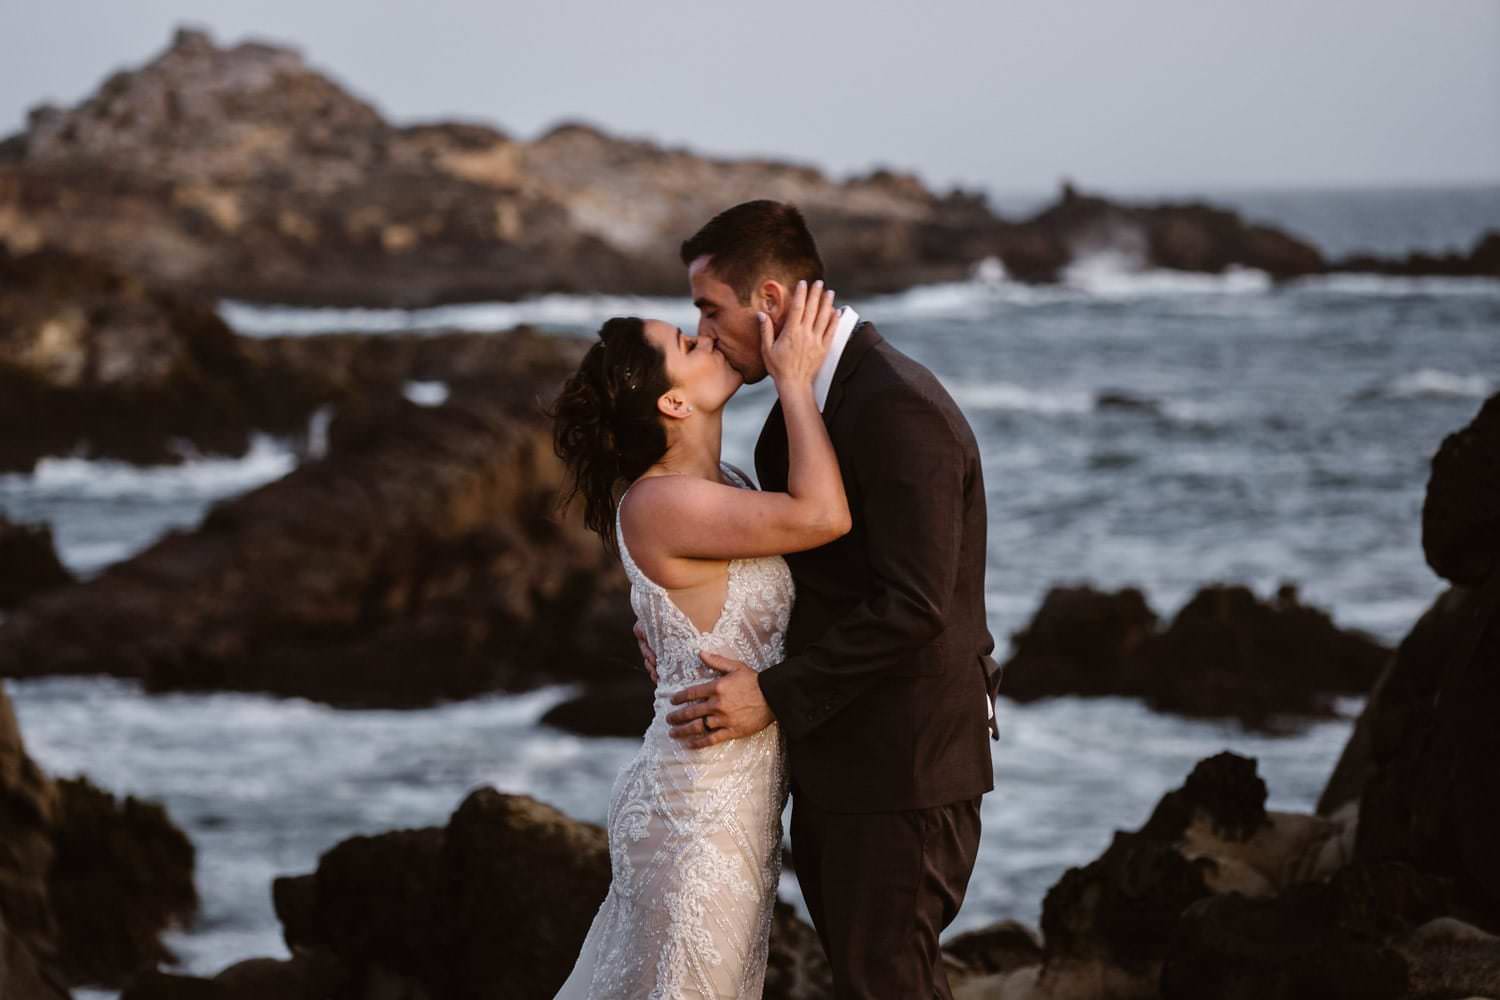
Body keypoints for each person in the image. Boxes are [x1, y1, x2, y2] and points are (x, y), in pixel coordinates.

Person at [639, 200, 1002, 999]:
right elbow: (809, 582)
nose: (701, 330)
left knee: (889, 984)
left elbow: (917, 605)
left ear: (768, 302)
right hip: (846, 759)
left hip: (905, 768)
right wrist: (681, 630)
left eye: (709, 307)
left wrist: (770, 694)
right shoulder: (798, 419)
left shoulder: (898, 407)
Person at [550, 278, 851, 998]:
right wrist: (795, 379)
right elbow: (824, 515)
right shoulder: (660, 501)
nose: (707, 335)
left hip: (736, 814)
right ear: (673, 403)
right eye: (688, 344)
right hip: (693, 823)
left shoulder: (730, 484)